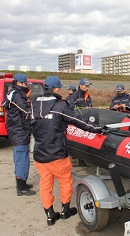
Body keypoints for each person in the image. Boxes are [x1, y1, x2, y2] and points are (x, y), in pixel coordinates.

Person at [31, 76, 103, 226]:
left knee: (45, 184)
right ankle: (65, 210)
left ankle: (50, 214)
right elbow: (78, 120)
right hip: (56, 153)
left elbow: (28, 125)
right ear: (56, 89)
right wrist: (97, 129)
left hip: (40, 154)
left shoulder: (33, 104)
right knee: (65, 181)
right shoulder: (59, 106)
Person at [1, 73, 36, 196]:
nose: (27, 85)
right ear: (19, 83)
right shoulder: (18, 95)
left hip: (17, 130)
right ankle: (21, 188)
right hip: (20, 131)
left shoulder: (13, 93)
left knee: (20, 156)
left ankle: (22, 182)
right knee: (22, 158)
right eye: (25, 83)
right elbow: (26, 112)